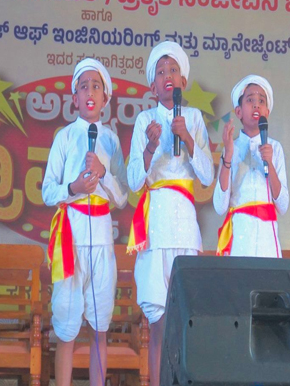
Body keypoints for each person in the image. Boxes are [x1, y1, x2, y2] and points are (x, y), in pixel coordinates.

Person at [126, 41, 214, 386]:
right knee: (158, 322)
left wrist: (188, 139)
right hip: (155, 228)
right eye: (161, 72)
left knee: (184, 321)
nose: (168, 76)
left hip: (185, 227)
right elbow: (135, 181)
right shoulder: (144, 120)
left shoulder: (193, 118)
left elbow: (207, 176)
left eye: (173, 70)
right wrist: (150, 147)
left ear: (183, 81)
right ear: (152, 85)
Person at [42, 58, 128, 386]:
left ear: (106, 99)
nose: (90, 92)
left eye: (96, 87)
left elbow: (122, 197)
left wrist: (103, 174)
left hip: (102, 235)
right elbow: (48, 191)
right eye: (83, 87)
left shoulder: (111, 141)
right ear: (74, 98)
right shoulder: (64, 137)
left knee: (99, 327)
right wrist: (74, 187)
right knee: (66, 327)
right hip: (71, 235)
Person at [213, 74, 289, 257]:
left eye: (261, 101)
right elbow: (220, 206)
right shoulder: (231, 148)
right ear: (239, 112)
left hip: (267, 240)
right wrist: (228, 156)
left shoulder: (275, 148)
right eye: (250, 100)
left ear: (267, 112)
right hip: (240, 237)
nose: (256, 105)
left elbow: (283, 205)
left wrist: (269, 163)